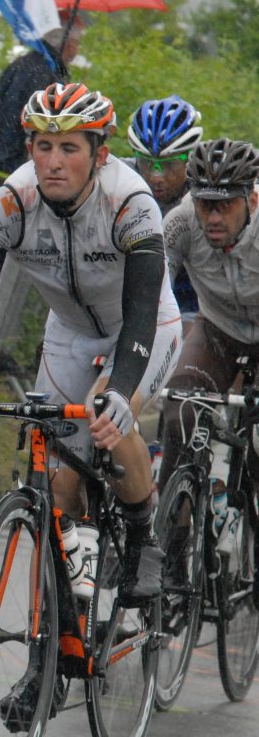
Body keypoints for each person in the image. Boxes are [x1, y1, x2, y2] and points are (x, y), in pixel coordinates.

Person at [0, 82, 181, 729]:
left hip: (140, 332)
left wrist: (118, 392)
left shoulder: (129, 201)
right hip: (67, 334)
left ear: (100, 151)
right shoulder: (11, 200)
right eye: (41, 145)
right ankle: (48, 655)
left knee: (109, 427)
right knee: (55, 488)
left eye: (69, 148)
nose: (52, 160)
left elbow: (142, 309)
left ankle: (142, 538)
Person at [158, 139, 259, 506]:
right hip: (217, 329)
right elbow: (151, 302)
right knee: (179, 411)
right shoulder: (181, 222)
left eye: (226, 205)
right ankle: (171, 542)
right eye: (205, 205)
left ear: (251, 201)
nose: (213, 218)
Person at [0, 13, 84, 186]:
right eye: (77, 43)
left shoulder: (24, 64)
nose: (76, 50)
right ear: (69, 45)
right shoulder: (46, 74)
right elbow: (38, 124)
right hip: (19, 168)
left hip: (3, 161)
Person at [128, 95, 203, 323]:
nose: (156, 176)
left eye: (169, 164)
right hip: (137, 300)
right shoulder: (122, 179)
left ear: (190, 160)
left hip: (197, 303)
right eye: (146, 162)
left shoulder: (209, 189)